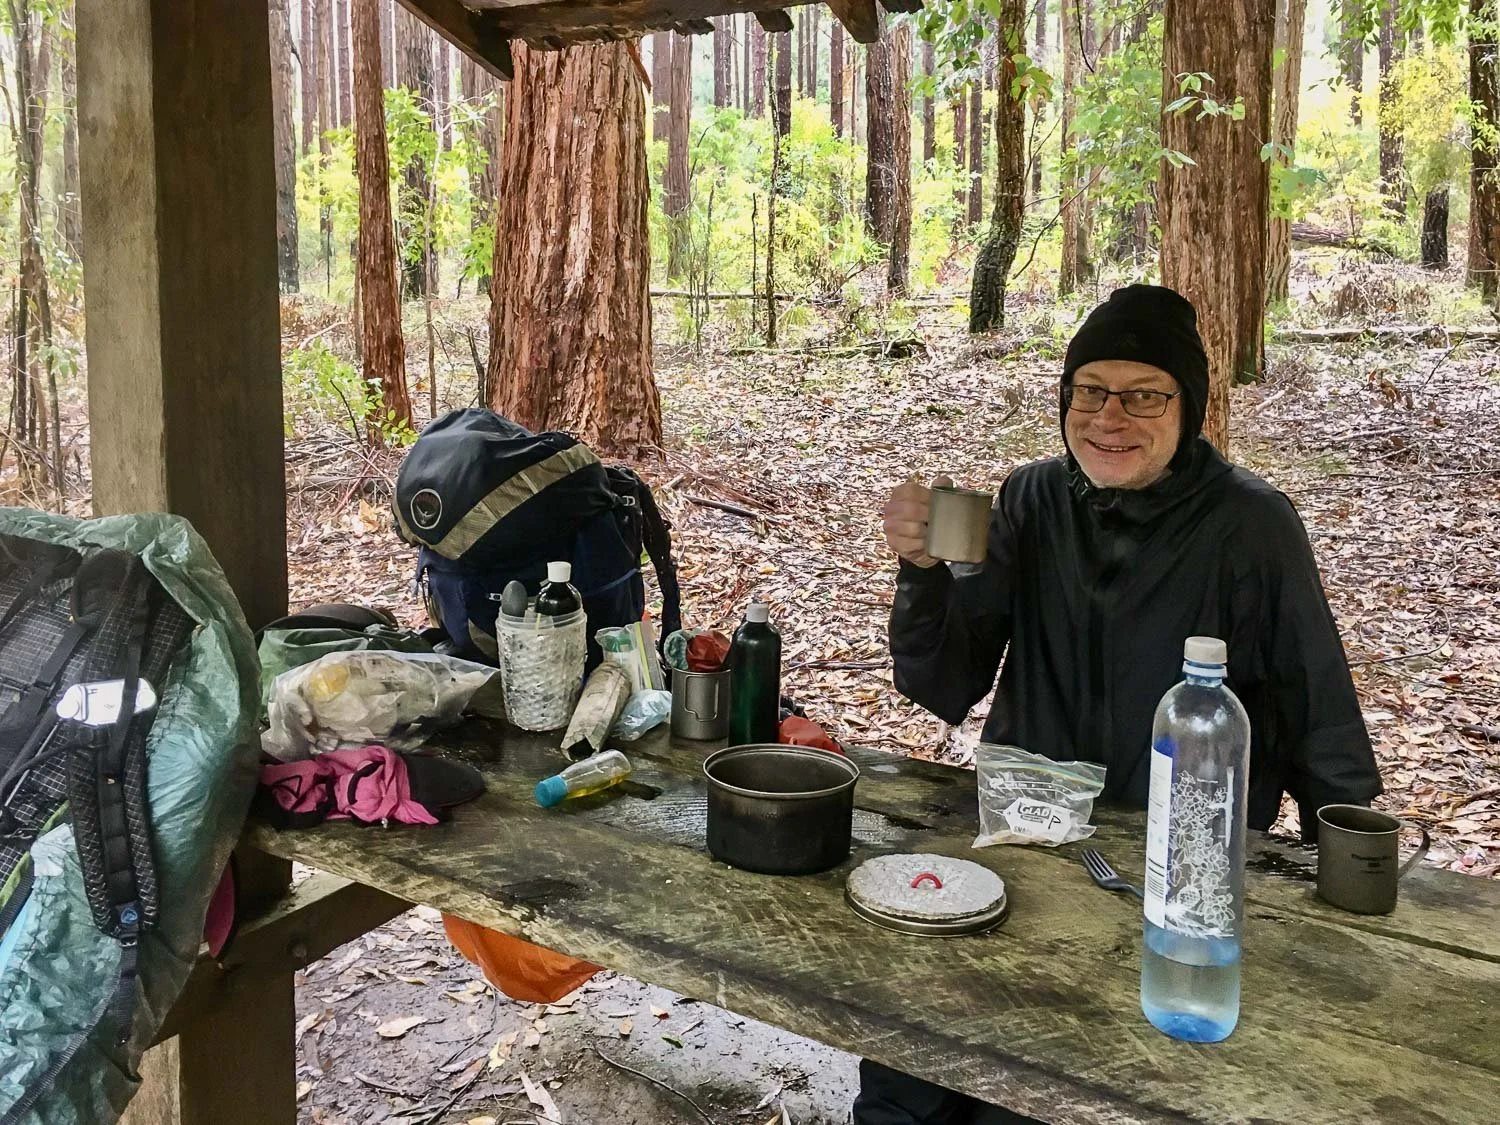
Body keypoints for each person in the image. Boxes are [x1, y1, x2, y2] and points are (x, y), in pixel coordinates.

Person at [860, 284, 1383, 1125]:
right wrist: (920, 573)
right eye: (1090, 390)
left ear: (1190, 409)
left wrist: (1353, 878)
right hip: (1025, 843)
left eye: (1145, 394)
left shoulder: (1251, 523)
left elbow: (1316, 703)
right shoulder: (1029, 500)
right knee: (910, 1058)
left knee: (1076, 1090)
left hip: (1178, 888)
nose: (1111, 416)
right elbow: (944, 682)